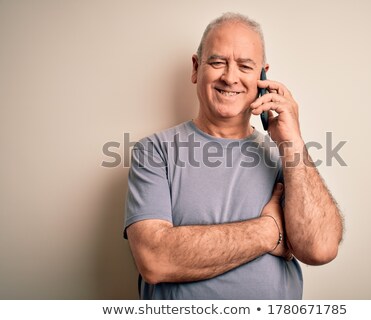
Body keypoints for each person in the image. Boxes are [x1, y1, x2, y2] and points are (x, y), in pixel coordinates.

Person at [123, 12, 344, 299]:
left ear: (262, 75)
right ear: (195, 67)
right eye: (217, 62)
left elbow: (321, 248)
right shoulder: (154, 152)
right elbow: (155, 260)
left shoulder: (286, 159)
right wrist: (269, 232)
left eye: (245, 66)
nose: (230, 78)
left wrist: (293, 143)